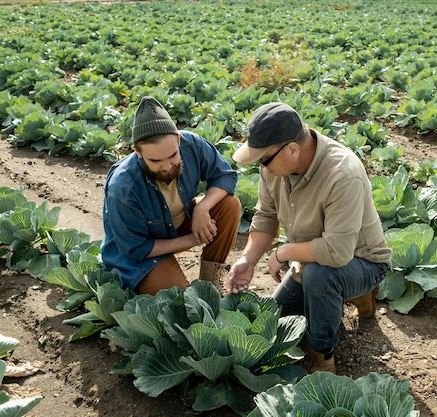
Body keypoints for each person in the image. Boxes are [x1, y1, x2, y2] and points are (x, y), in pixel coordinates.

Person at [226, 102, 391, 373]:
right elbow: (266, 217)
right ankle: (351, 298)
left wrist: (283, 253)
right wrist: (248, 260)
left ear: (292, 149)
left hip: (362, 261)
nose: (262, 166)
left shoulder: (343, 174)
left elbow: (337, 252)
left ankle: (321, 353)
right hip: (312, 259)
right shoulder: (274, 166)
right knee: (275, 318)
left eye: (264, 159)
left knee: (320, 277)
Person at [101, 96, 241, 295]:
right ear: (137, 152)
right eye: (156, 160)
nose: (167, 166)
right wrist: (193, 239)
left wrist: (203, 207)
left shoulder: (192, 145)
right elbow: (135, 249)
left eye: (173, 156)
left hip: (176, 224)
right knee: (181, 302)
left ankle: (211, 283)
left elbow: (224, 176)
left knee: (229, 205)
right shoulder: (122, 188)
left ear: (178, 139)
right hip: (142, 254)